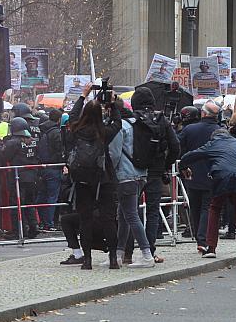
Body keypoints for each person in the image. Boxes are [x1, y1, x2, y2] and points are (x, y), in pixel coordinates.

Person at [66, 82, 123, 270]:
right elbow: (117, 124)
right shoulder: (103, 132)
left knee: (85, 219)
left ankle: (87, 260)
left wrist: (83, 95)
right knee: (108, 218)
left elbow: (72, 116)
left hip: (82, 179)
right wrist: (113, 104)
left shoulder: (75, 129)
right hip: (103, 177)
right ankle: (113, 258)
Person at [180, 128, 236, 261]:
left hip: (221, 178)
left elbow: (190, 156)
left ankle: (211, 247)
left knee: (214, 208)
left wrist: (183, 168)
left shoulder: (213, 144)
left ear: (213, 137)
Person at [129, 87, 180, 263]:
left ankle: (127, 252)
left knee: (130, 212)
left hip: (134, 171)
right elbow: (175, 147)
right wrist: (165, 165)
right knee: (152, 212)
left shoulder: (131, 120)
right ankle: (149, 251)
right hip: (156, 171)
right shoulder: (161, 120)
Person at [107, 95, 155, 268]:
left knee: (130, 216)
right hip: (141, 173)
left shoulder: (121, 126)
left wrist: (107, 171)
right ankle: (119, 254)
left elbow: (114, 153)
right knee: (124, 214)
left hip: (125, 175)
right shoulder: (137, 123)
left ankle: (146, 254)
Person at [179, 101, 221, 254]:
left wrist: (183, 165)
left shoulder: (189, 129)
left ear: (203, 113)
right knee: (206, 208)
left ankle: (199, 238)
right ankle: (203, 239)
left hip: (191, 173)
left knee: (195, 207)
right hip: (212, 174)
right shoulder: (220, 130)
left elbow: (179, 147)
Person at [0, 117, 40, 239]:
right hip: (32, 175)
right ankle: (33, 228)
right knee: (29, 203)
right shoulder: (33, 141)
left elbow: (3, 157)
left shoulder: (13, 142)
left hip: (18, 177)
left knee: (16, 204)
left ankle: (18, 231)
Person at [37, 109, 64, 230]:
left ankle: (42, 221)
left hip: (42, 166)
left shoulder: (43, 130)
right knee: (52, 196)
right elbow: (59, 149)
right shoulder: (56, 132)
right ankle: (49, 223)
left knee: (42, 195)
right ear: (59, 120)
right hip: (54, 166)